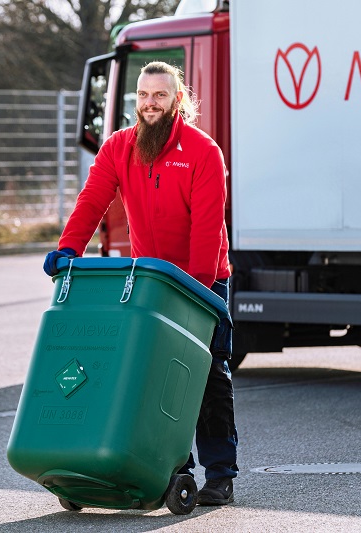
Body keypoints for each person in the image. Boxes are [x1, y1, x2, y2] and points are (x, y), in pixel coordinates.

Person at [43, 61, 238, 505]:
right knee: (151, 379)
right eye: (144, 96)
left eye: (161, 96)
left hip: (202, 282)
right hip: (149, 281)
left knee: (207, 378)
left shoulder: (203, 152)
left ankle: (221, 474)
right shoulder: (118, 148)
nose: (150, 104)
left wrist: (198, 292)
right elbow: (93, 198)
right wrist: (69, 248)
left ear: (178, 100)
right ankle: (169, 467)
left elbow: (208, 230)